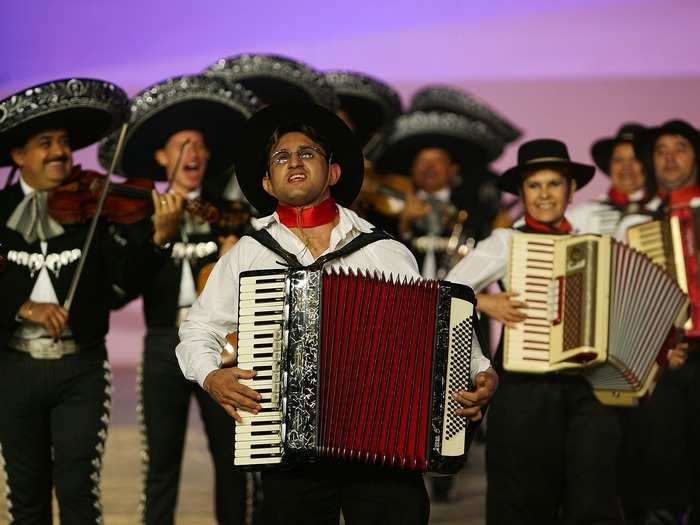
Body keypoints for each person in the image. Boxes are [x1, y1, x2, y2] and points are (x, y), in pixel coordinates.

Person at [176, 102, 498, 524]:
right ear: (267, 183)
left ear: (333, 173)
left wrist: (480, 373)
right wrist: (211, 375)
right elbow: (197, 330)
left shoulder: (383, 250)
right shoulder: (251, 254)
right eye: (280, 157)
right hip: (285, 448)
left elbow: (441, 328)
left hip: (385, 448)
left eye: (307, 153)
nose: (293, 161)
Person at [0, 78, 181, 524]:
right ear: (19, 156)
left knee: (79, 494)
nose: (60, 151)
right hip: (13, 369)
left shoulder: (94, 208)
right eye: (45, 143)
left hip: (80, 369)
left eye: (64, 142)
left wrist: (158, 239)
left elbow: (121, 289)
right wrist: (23, 307)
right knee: (26, 499)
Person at [97, 74, 260, 525]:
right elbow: (121, 290)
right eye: (182, 144)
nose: (194, 152)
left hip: (226, 347)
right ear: (162, 157)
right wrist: (158, 239)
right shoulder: (141, 212)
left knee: (234, 460)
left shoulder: (232, 216)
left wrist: (237, 261)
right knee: (162, 464)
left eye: (200, 145)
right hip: (165, 344)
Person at [447, 139, 624, 524]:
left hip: (588, 389)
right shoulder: (505, 243)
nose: (544, 195)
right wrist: (484, 301)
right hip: (525, 391)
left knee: (592, 499)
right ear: (522, 192)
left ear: (572, 190)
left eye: (554, 184)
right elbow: (442, 291)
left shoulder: (594, 244)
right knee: (521, 501)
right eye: (534, 185)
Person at [615, 119, 700, 525]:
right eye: (661, 149)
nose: (669, 156)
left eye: (680, 147)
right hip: (665, 362)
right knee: (657, 481)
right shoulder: (638, 224)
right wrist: (659, 344)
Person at [566, 123, 649, 235]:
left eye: (635, 159)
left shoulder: (663, 212)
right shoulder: (581, 215)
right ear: (609, 166)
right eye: (618, 160)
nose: (626, 167)